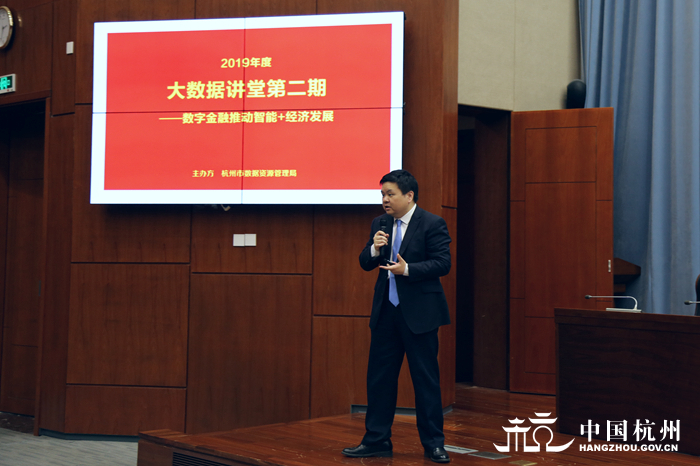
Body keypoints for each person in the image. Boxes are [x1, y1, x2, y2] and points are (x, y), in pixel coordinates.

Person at [342, 170, 452, 463]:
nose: (385, 200)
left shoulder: (432, 223)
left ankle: (434, 444)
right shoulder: (380, 223)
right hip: (386, 314)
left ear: (409, 195)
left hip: (420, 315)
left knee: (425, 381)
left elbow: (443, 263)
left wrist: (408, 270)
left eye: (390, 194)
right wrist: (374, 248)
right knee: (380, 380)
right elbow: (365, 262)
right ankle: (376, 440)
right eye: (382, 194)